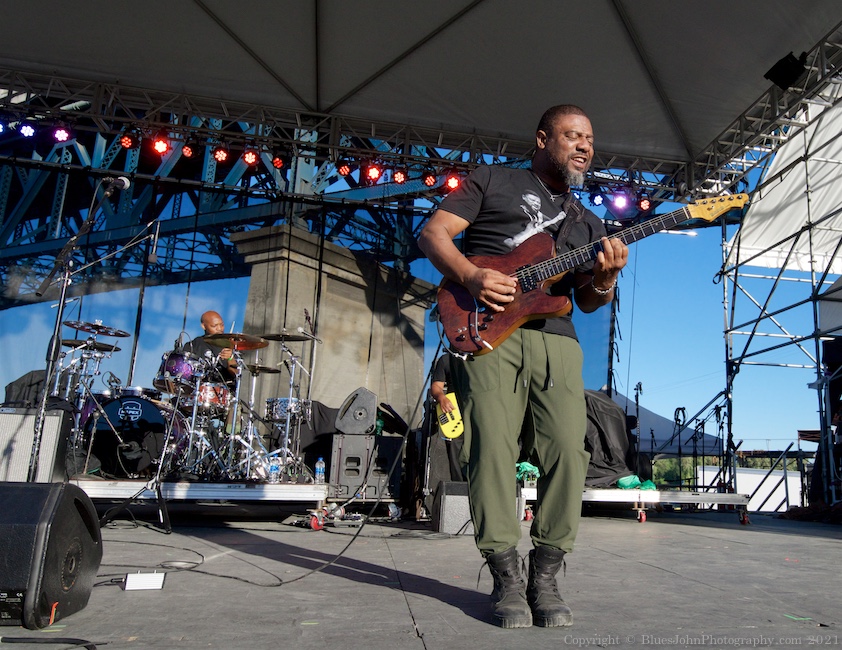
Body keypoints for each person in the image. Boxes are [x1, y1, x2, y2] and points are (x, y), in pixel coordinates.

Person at [417, 104, 628, 629]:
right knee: (491, 449)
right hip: (489, 332)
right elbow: (434, 233)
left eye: (590, 138)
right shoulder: (495, 180)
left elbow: (589, 300)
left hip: (556, 338)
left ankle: (546, 572)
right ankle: (505, 574)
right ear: (542, 139)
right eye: (572, 135)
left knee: (569, 452)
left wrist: (607, 278)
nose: (584, 146)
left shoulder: (589, 223)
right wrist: (470, 276)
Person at [183, 310, 239, 385]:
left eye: (222, 325)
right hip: (197, 389)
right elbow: (183, 371)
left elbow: (237, 375)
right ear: (203, 326)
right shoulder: (194, 344)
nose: (219, 328)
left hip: (223, 391)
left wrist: (230, 358)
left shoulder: (230, 345)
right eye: (214, 326)